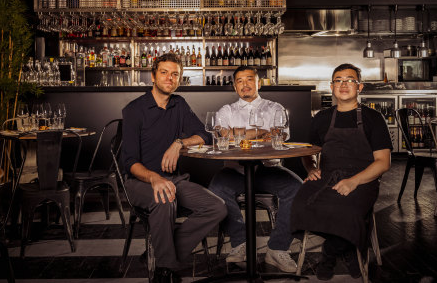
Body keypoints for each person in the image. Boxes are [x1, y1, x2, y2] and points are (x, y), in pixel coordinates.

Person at [121, 53, 227, 283]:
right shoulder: (134, 110)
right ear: (153, 76)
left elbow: (204, 136)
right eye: (164, 73)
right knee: (164, 198)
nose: (170, 78)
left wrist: (179, 143)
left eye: (175, 74)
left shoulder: (179, 104)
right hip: (139, 181)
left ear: (180, 79)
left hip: (174, 179)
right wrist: (154, 179)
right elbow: (129, 162)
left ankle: (162, 251)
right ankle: (165, 271)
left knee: (217, 207)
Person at [291, 63, 392, 280]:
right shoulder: (321, 118)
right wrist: (311, 168)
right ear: (331, 87)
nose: (343, 84)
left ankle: (330, 252)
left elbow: (383, 163)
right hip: (326, 177)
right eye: (338, 80)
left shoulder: (373, 118)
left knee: (346, 209)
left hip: (364, 180)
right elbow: (306, 151)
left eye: (350, 80)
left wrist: (354, 181)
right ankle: (348, 250)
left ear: (360, 87)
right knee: (300, 204)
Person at [208, 66, 302, 273]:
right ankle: (241, 245)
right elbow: (224, 137)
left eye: (249, 79)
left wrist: (239, 133)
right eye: (240, 81)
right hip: (235, 171)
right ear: (235, 87)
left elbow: (279, 135)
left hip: (269, 169)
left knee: (297, 188)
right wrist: (261, 132)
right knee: (216, 188)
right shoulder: (226, 110)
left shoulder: (276, 108)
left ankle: (277, 249)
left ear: (259, 83)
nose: (245, 84)